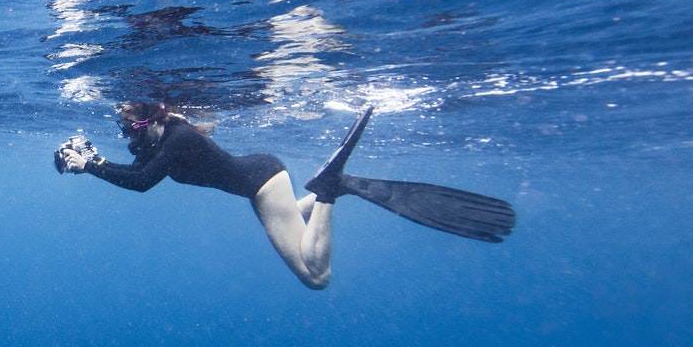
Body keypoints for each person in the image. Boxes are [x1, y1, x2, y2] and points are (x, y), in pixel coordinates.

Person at [54, 102, 514, 289]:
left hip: (260, 183)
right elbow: (134, 171)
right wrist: (93, 162)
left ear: (153, 119)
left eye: (132, 129)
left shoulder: (176, 139)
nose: (129, 138)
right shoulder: (164, 138)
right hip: (261, 181)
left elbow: (140, 184)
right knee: (292, 216)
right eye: (122, 131)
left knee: (316, 276)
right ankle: (333, 191)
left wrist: (92, 166)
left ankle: (331, 189)